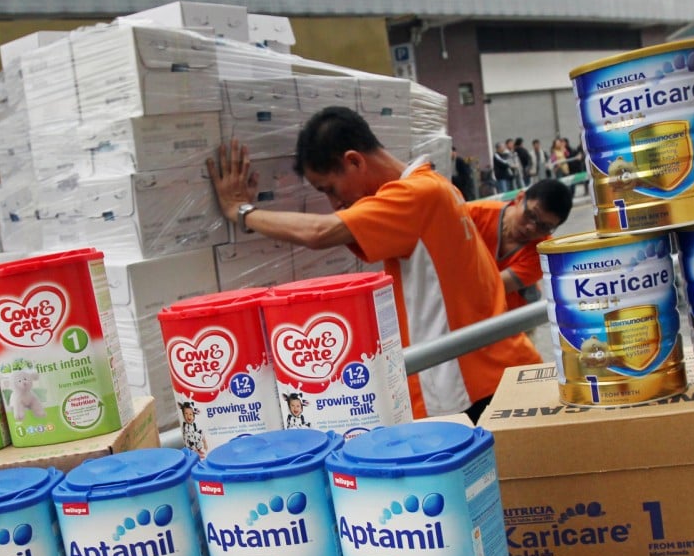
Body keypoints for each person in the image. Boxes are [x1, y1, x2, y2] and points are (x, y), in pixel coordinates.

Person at [207, 106, 542, 423]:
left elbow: (320, 231)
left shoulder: (415, 195)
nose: (335, 203)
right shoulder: (438, 187)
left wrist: (240, 211)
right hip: (488, 371)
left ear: (353, 161)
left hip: (461, 388)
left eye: (330, 189)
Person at [468, 179, 573, 311]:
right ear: (520, 198)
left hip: (506, 320)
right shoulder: (473, 214)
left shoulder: (543, 253)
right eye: (531, 215)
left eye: (544, 227)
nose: (531, 227)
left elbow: (491, 288)